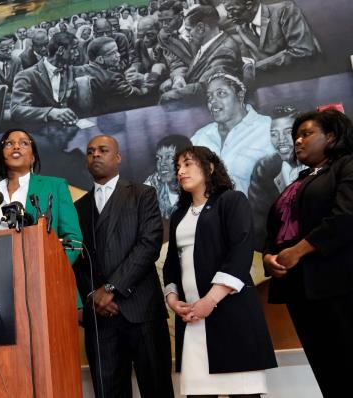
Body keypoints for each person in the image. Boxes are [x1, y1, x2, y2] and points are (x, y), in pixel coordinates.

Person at [165, 146, 276, 397]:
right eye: (178, 168)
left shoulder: (231, 200)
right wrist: (173, 300)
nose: (180, 172)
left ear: (210, 167)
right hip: (192, 319)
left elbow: (240, 252)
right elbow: (172, 263)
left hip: (231, 314)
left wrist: (211, 300)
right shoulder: (179, 215)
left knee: (243, 393)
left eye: (188, 164)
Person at [73, 135, 174, 397]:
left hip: (142, 313)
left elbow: (149, 244)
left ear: (117, 157)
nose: (95, 155)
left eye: (103, 150)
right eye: (90, 151)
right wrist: (93, 295)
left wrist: (112, 288)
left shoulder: (143, 194)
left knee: (157, 389)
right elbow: (75, 260)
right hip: (100, 318)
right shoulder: (78, 208)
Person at [263, 109, 353, 397]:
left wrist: (299, 251)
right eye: (295, 136)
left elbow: (346, 217)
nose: (297, 141)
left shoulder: (346, 166)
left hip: (339, 285)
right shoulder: (299, 180)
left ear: (331, 136)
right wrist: (269, 257)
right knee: (327, 370)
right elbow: (276, 229)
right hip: (301, 288)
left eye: (306, 134)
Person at [0, 129, 82, 266]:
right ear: (2, 154)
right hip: (0, 279)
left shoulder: (56, 186)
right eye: (9, 144)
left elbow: (73, 240)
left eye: (24, 143)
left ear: (33, 157)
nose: (16, 146)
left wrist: (52, 270)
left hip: (48, 279)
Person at [190, 72, 273, 195]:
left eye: (221, 93)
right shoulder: (200, 137)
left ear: (240, 96)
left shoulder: (268, 128)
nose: (213, 101)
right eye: (209, 97)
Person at [248, 105, 306, 250]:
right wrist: (270, 255)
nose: (281, 140)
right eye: (274, 134)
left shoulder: (322, 163)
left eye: (288, 132)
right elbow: (259, 223)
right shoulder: (264, 168)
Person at [160, 5, 243, 103]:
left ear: (201, 28)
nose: (187, 34)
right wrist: (179, 79)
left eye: (188, 30)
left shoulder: (224, 51)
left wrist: (174, 94)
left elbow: (207, 86)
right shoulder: (207, 44)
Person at [222, 0, 321, 72]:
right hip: (276, 85)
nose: (228, 16)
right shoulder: (241, 28)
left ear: (249, 5)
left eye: (231, 10)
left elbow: (303, 51)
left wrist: (256, 68)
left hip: (311, 75)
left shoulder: (285, 10)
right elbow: (258, 59)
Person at [11, 32, 82, 125]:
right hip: (41, 132)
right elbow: (17, 110)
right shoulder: (26, 76)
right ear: (61, 50)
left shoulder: (72, 70)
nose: (77, 53)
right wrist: (49, 112)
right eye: (74, 49)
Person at [80, 36, 141, 115]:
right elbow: (138, 96)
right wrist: (146, 78)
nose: (118, 55)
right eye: (113, 53)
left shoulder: (81, 69)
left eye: (117, 51)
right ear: (100, 59)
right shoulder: (113, 78)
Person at [144, 134, 192, 219]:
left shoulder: (197, 187)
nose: (162, 163)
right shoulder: (154, 183)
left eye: (169, 157)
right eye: (159, 158)